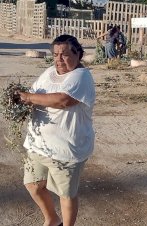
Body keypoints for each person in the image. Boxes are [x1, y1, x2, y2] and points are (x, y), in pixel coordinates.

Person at [18, 34, 96, 226]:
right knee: (33, 185)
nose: (59, 59)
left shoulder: (82, 76)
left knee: (66, 194)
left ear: (78, 54)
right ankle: (52, 219)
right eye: (55, 55)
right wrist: (21, 102)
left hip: (66, 149)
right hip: (38, 145)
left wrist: (28, 98)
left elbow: (63, 100)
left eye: (65, 54)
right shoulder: (49, 72)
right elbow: (36, 92)